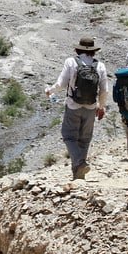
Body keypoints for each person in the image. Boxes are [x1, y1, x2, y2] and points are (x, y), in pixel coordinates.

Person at [45, 37, 108, 180]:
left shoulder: (71, 62)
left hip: (73, 105)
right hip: (91, 106)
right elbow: (104, 90)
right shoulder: (100, 66)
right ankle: (78, 173)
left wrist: (50, 91)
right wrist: (102, 106)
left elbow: (61, 84)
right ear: (93, 51)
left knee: (69, 136)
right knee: (85, 139)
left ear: (78, 49)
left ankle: (79, 163)